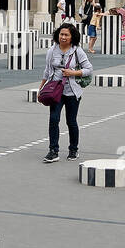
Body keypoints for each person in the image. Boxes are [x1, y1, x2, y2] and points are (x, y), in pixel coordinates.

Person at [39, 22, 93, 163]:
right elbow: (47, 70)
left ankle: (73, 149)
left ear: (72, 36)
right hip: (55, 91)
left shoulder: (77, 51)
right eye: (61, 34)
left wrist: (73, 72)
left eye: (66, 35)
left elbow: (89, 69)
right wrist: (41, 87)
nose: (63, 37)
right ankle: (53, 150)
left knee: (71, 121)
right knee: (54, 119)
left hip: (72, 92)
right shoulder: (52, 50)